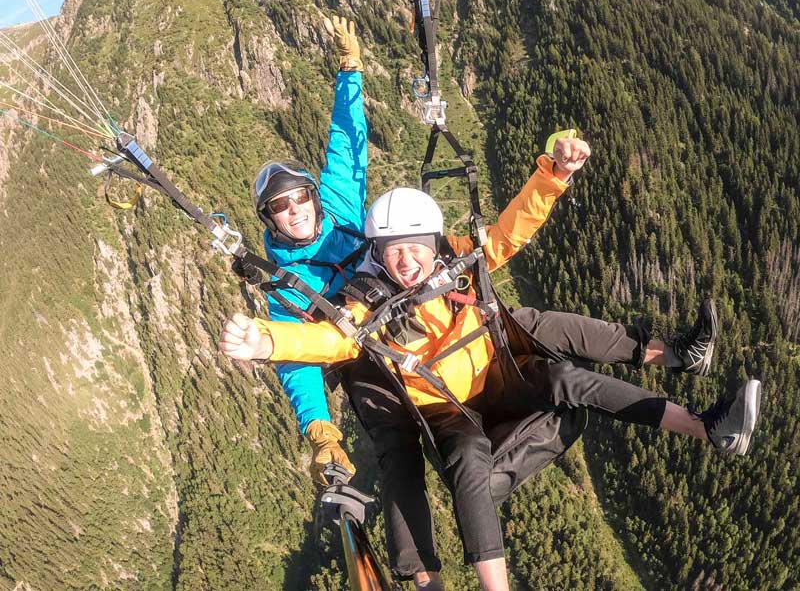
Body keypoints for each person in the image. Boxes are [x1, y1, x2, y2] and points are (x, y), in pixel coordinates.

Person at [221, 137, 761, 590]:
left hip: (495, 373)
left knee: (567, 378)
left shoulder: (452, 256)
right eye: (393, 254)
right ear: (378, 255)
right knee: (460, 461)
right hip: (444, 406)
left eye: (414, 250)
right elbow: (333, 341)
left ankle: (706, 426)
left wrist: (554, 174)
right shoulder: (369, 295)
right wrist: (268, 340)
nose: (407, 263)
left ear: (433, 243)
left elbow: (505, 234)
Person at [248, 15, 367, 485]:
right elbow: (295, 356)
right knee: (390, 427)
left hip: (399, 310)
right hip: (359, 353)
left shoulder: (339, 203)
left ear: (313, 197)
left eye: (299, 197)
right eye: (280, 206)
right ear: (270, 218)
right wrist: (320, 431)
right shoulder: (286, 285)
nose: (294, 210)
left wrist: (350, 69)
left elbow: (347, 140)